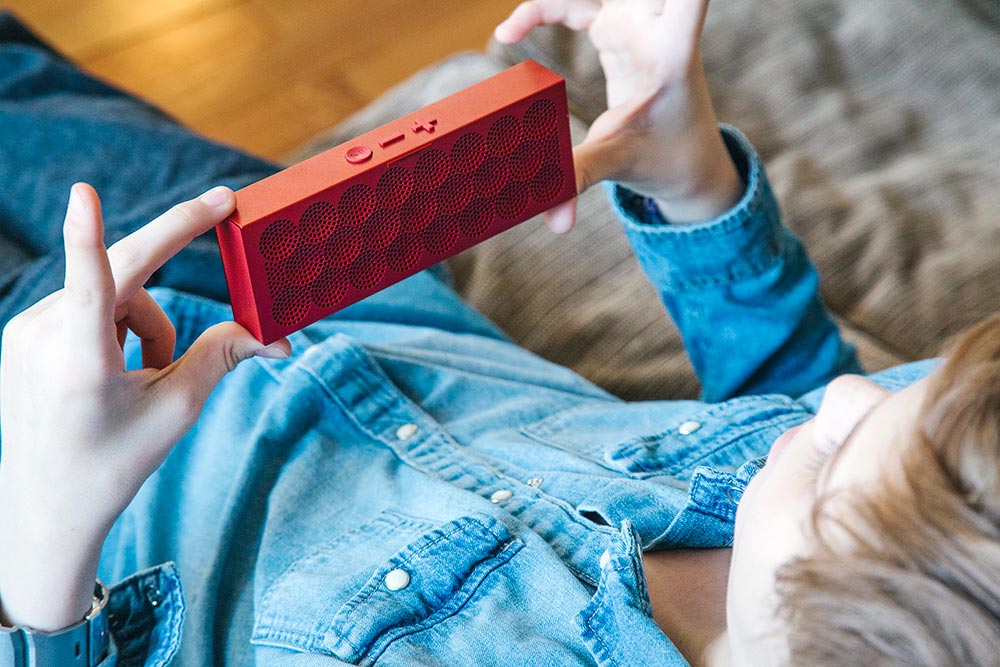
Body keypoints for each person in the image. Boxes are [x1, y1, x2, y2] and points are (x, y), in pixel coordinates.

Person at [1, 0, 998, 665]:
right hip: (292, 265)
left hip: (47, 470)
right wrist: (691, 179)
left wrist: (45, 532)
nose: (849, 395)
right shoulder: (872, 481)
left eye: (834, 466)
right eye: (905, 395)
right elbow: (796, 386)